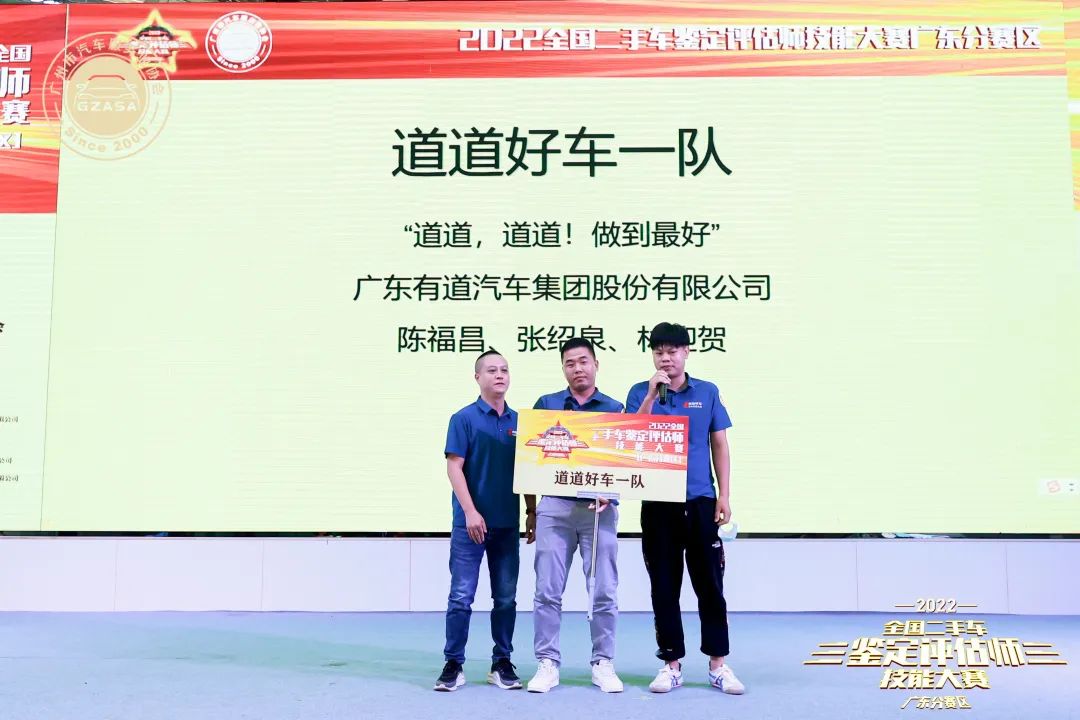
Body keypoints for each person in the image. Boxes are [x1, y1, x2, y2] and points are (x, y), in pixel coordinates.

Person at [626, 322, 746, 695]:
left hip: (700, 502)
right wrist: (650, 395)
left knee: (710, 585)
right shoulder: (640, 392)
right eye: (659, 351)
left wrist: (724, 495)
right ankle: (671, 664)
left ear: (686, 352)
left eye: (673, 350)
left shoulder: (706, 392)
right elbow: (630, 438)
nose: (666, 358)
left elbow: (719, 444)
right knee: (664, 586)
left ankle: (718, 664)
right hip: (657, 503)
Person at [524, 338, 625, 694]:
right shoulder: (547, 405)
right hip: (555, 508)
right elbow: (529, 462)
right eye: (570, 363)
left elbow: (625, 462)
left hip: (599, 510)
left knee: (604, 590)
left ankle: (603, 662)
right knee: (547, 589)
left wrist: (612, 491)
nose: (578, 368)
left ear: (596, 364)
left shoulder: (615, 407)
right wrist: (531, 509)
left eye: (583, 361)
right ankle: (547, 662)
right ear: (563, 368)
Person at [434, 349, 523, 692]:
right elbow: (454, 467)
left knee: (506, 599)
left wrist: (530, 511)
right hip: (469, 526)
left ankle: (502, 662)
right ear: (477, 377)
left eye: (504, 370)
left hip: (507, 524)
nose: (499, 375)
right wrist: (471, 511)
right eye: (491, 370)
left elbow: (528, 471)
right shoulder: (463, 418)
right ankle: (453, 663)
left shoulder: (520, 422)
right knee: (461, 597)